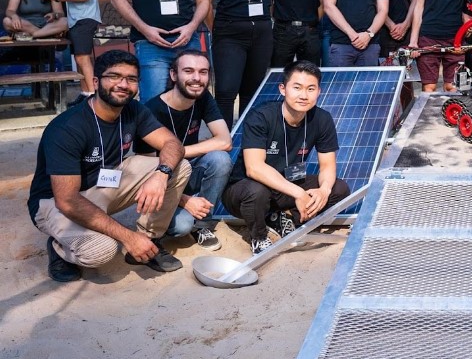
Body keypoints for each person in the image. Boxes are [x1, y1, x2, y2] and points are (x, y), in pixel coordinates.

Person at [27, 49, 191, 282]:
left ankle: (149, 241)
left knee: (179, 165)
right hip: (56, 201)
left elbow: (172, 144)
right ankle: (59, 248)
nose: (123, 84)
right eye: (114, 76)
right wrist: (127, 237)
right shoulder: (67, 127)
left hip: (103, 184)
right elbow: (67, 200)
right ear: (95, 82)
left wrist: (161, 174)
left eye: (131, 79)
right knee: (101, 251)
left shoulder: (134, 110)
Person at [221, 60, 351, 254]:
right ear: (283, 89)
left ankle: (288, 220)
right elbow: (254, 168)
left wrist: (323, 191)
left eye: (310, 89)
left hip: (288, 182)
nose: (303, 95)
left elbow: (327, 166)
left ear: (319, 92)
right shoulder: (262, 116)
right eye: (297, 87)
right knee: (257, 191)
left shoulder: (322, 119)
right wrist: (298, 193)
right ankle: (259, 236)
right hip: (247, 188)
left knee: (339, 188)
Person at [135, 49, 232, 250]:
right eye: (188, 71)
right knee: (181, 227)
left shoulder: (203, 98)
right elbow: (145, 171)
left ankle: (203, 225)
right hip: (163, 179)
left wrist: (178, 152)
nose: (196, 78)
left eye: (203, 72)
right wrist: (184, 200)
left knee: (220, 159)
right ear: (173, 75)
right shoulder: (152, 110)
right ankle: (186, 212)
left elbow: (224, 141)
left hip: (188, 167)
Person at [40, 0, 102, 105]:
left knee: (83, 59)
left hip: (84, 17)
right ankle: (85, 92)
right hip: (77, 18)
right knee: (80, 58)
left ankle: (93, 98)